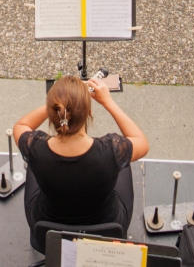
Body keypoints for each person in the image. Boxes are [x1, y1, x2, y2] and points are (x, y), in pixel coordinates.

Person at [12, 76, 148, 245]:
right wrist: (108, 102)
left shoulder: (36, 148)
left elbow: (21, 126)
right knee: (123, 160)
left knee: (33, 163)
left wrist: (57, 105)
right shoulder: (111, 151)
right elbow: (141, 142)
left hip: (47, 229)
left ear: (53, 112)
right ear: (88, 112)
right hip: (107, 228)